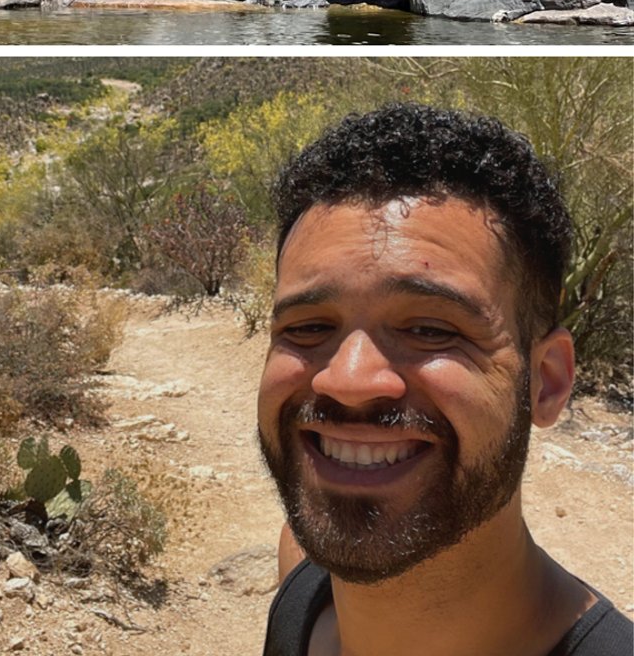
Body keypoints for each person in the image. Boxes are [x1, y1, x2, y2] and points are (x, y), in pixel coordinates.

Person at [257, 103, 633, 656]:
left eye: (431, 330)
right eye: (309, 327)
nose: (348, 379)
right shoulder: (301, 595)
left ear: (547, 382)